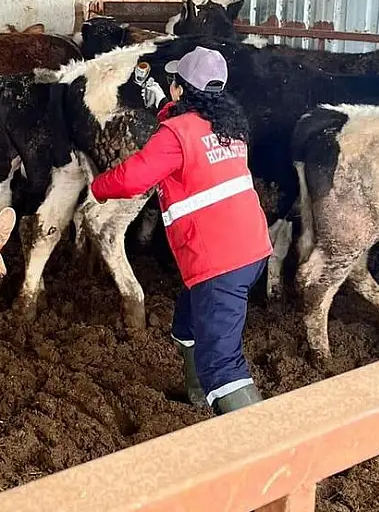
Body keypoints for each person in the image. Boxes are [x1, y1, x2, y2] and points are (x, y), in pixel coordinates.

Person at [89, 47, 273, 415]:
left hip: (219, 262)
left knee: (223, 365)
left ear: (179, 90)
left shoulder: (176, 135)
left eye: (173, 83)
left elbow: (132, 178)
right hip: (252, 251)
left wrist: (96, 188)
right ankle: (196, 397)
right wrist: (162, 104)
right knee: (186, 324)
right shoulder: (229, 125)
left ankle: (263, 446)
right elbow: (189, 137)